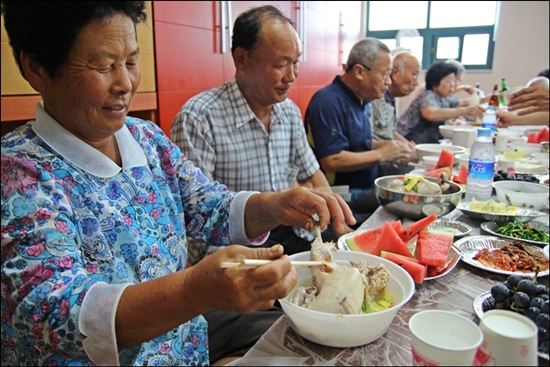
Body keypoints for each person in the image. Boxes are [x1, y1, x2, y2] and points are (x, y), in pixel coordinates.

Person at [0, 2, 355, 366]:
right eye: (104, 67)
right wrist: (194, 291)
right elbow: (55, 313)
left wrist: (273, 206)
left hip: (186, 345)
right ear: (37, 68)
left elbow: (208, 204)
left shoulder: (145, 138)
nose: (125, 84)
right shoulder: (19, 173)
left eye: (131, 62)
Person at [170, 5, 351, 252]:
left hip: (298, 232)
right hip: (240, 247)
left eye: (296, 62)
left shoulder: (288, 110)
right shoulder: (200, 118)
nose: (292, 75)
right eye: (281, 64)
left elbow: (311, 173)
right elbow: (195, 216)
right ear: (241, 59)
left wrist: (336, 223)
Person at [305, 38, 413, 217]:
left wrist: (395, 148)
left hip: (368, 182)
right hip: (342, 191)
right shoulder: (327, 101)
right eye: (385, 74)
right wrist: (383, 154)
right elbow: (332, 160)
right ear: (360, 71)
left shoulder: (362, 100)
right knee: (404, 202)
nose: (389, 82)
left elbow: (360, 143)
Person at [396, 61, 485, 145]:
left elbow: (463, 102)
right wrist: (464, 111)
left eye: (454, 81)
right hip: (405, 142)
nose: (452, 85)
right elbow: (430, 113)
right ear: (435, 84)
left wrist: (489, 100)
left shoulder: (443, 99)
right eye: (448, 81)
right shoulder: (427, 95)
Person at [370, 50, 420, 175]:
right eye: (414, 75)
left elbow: (390, 131)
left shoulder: (390, 99)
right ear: (396, 72)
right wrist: (402, 149)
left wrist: (407, 145)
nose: (416, 82)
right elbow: (365, 142)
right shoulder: (374, 97)